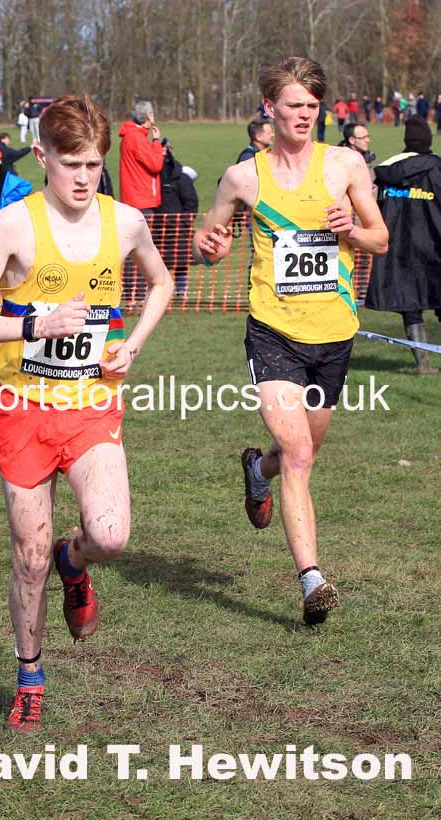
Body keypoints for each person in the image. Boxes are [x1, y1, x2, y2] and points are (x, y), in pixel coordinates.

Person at [0, 95, 173, 732]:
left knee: (110, 536)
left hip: (91, 406)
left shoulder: (125, 222)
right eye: (71, 164)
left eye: (94, 165)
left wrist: (133, 344)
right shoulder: (13, 225)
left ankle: (74, 563)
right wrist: (35, 326)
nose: (83, 177)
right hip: (23, 409)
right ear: (42, 156)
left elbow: (160, 282)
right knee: (29, 556)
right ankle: (30, 675)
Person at [193, 57, 388, 625]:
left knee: (300, 453)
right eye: (294, 105)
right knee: (299, 455)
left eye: (312, 105)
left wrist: (351, 230)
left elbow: (380, 238)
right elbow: (209, 239)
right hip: (273, 332)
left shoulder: (345, 164)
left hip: (334, 335)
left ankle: (258, 469)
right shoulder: (243, 177)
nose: (304, 114)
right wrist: (211, 248)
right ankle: (312, 580)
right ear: (269, 108)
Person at [366, 115, 441, 374]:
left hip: (399, 250)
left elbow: (374, 208)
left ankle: (423, 364)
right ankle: (425, 365)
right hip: (434, 245)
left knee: (410, 305)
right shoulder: (437, 168)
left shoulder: (387, 171)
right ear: (428, 140)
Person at [157, 140, 199, 295]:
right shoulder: (151, 178)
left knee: (181, 260)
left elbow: (191, 201)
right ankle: (161, 289)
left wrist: (185, 222)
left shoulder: (180, 177)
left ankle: (181, 289)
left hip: (178, 228)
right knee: (158, 261)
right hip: (158, 227)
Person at [119, 100, 164, 211]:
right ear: (148, 116)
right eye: (152, 113)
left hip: (134, 198)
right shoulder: (137, 138)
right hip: (141, 200)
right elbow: (155, 165)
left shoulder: (132, 135)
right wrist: (156, 142)